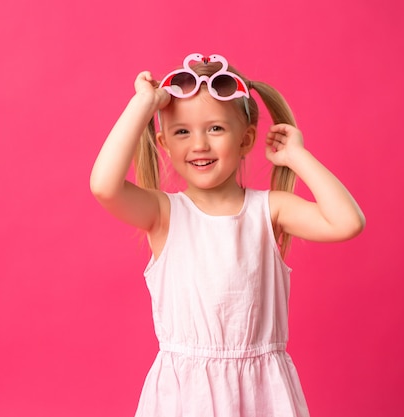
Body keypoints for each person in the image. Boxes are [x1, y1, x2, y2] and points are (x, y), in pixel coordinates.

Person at [89, 53, 365, 417]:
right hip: (186, 397)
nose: (199, 144)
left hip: (263, 391)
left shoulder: (270, 210)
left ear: (246, 139)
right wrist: (143, 103)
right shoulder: (164, 213)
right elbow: (104, 187)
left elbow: (347, 222)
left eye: (215, 128)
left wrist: (297, 157)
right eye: (182, 131)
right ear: (164, 142)